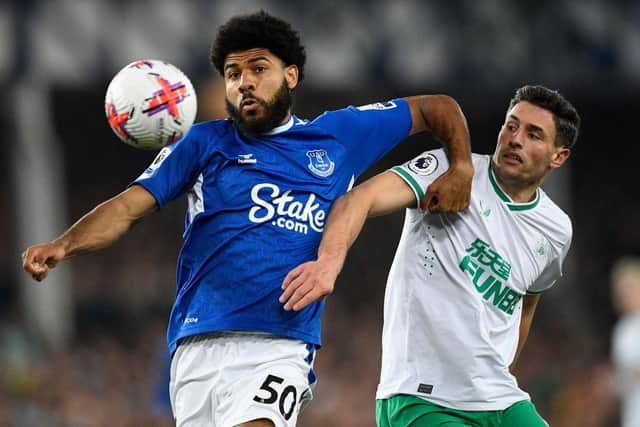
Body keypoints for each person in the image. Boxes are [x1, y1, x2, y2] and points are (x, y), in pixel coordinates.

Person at [22, 10, 474, 427]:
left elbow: (436, 107)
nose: (244, 83)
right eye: (233, 74)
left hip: (278, 345)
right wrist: (63, 245)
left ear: (290, 75)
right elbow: (126, 209)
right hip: (195, 348)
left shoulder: (339, 135)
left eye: (258, 69)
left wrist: (461, 166)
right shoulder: (202, 143)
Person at [281, 85, 580, 426]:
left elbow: (527, 301)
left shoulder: (556, 230)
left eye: (533, 134)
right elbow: (357, 200)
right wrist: (328, 263)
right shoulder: (448, 171)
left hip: (498, 397)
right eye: (511, 126)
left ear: (559, 156)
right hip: (422, 396)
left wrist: (500, 370)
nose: (515, 139)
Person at [610, 257, 640, 427]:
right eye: (621, 292)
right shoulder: (623, 330)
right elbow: (622, 379)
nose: (625, 297)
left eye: (629, 289)